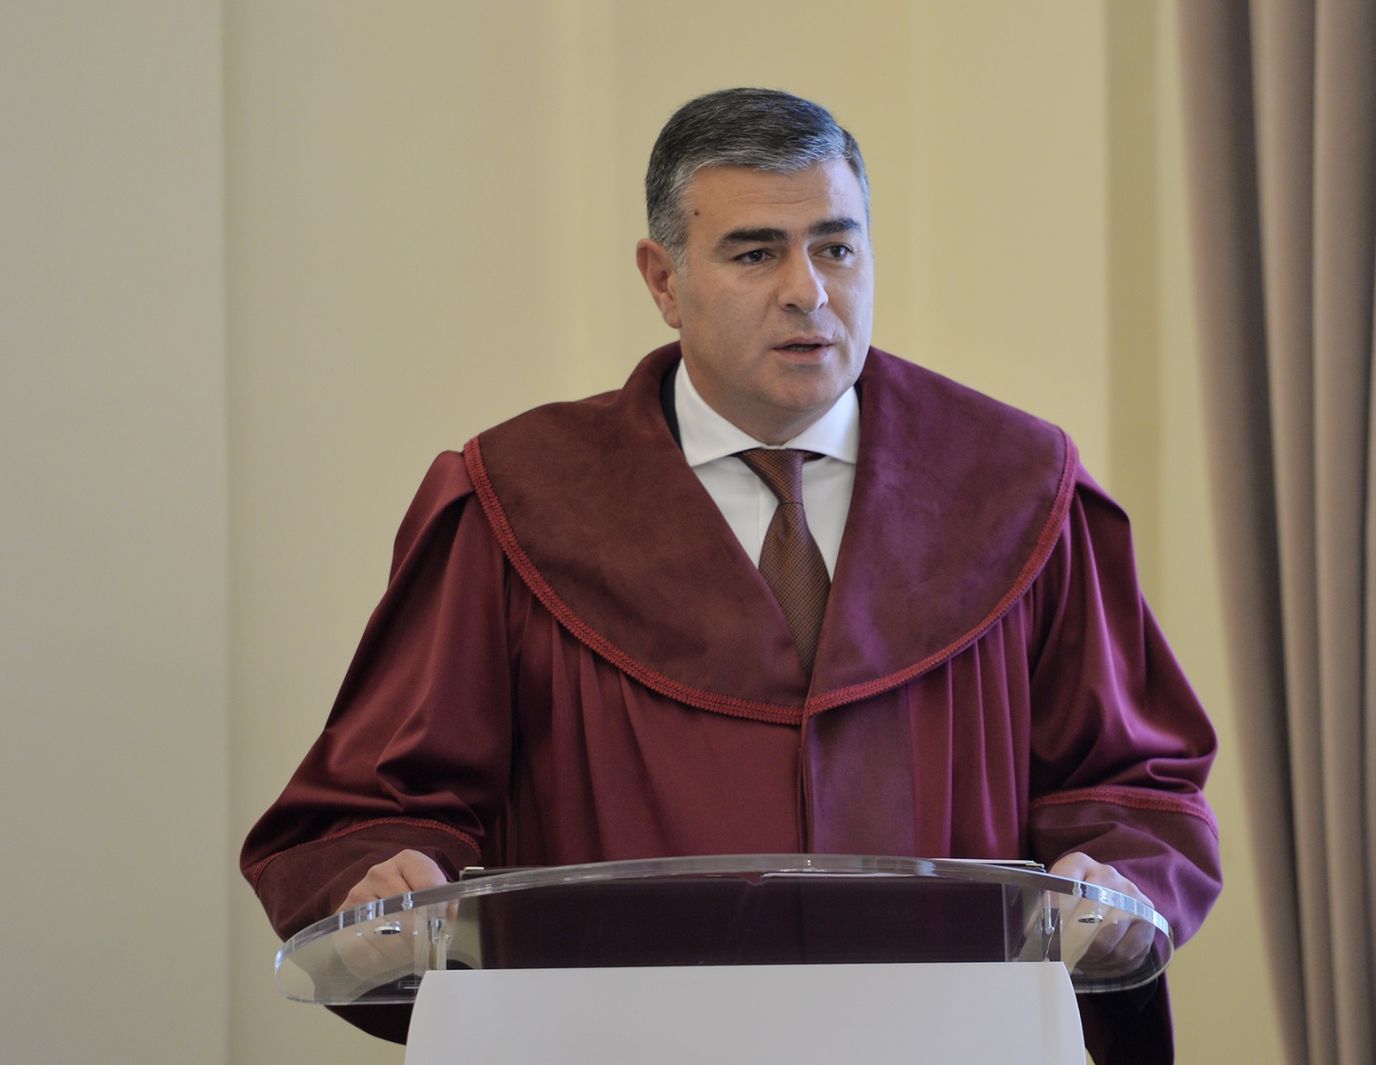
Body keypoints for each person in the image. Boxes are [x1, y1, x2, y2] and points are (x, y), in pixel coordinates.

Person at [241, 87, 1221, 1064]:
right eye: (756, 254)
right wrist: (386, 882)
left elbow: (1131, 787)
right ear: (662, 279)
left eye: (836, 248)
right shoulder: (513, 504)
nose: (808, 292)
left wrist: (1120, 885)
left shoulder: (1016, 488)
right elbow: (376, 810)